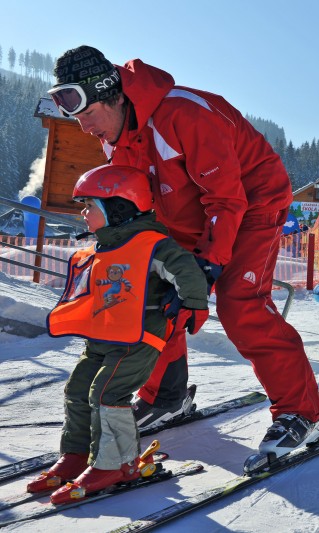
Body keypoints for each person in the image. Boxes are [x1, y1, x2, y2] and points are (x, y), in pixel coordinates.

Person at [49, 45, 319, 459]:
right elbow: (141, 207)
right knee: (153, 294)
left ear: (111, 94)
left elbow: (225, 198)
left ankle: (302, 412)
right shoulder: (115, 140)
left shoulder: (183, 113)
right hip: (185, 213)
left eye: (86, 114)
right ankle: (166, 395)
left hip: (250, 201)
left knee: (239, 302)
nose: (83, 127)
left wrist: (209, 264)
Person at [28, 165, 209, 503]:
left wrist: (194, 304)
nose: (83, 213)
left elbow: (185, 268)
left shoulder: (151, 244)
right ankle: (78, 454)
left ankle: (118, 463)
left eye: (89, 206)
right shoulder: (104, 246)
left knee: (107, 392)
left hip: (139, 337)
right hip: (104, 336)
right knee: (79, 388)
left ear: (119, 207)